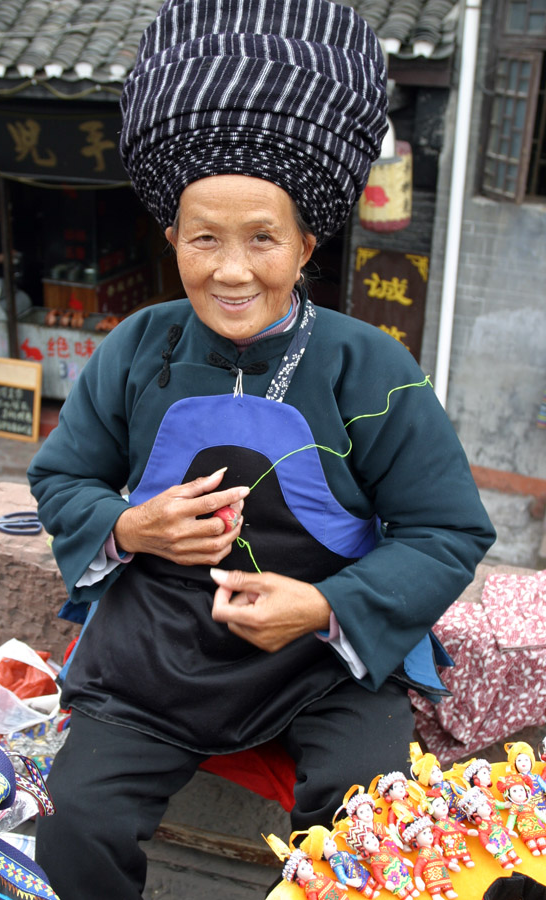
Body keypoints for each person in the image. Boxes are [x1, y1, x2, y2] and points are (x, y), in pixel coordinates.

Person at [27, 0, 495, 896]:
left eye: (262, 239)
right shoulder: (137, 346)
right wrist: (133, 529)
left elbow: (446, 533)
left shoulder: (371, 367)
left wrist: (320, 610)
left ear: (308, 241)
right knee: (74, 823)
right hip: (157, 646)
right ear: (172, 237)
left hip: (322, 657)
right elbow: (62, 477)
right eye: (203, 238)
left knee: (367, 820)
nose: (230, 270)